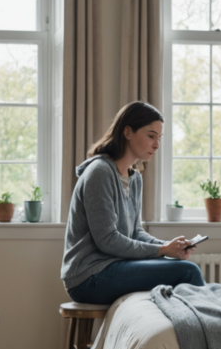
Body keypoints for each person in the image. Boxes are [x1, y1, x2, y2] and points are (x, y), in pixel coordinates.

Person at [61, 101, 205, 305]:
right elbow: (108, 240)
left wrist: (167, 246)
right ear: (128, 132)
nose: (156, 145)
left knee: (177, 263)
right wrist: (162, 250)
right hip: (87, 276)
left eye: (159, 138)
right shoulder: (100, 172)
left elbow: (135, 232)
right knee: (188, 271)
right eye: (151, 135)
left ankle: (190, 325)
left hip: (114, 266)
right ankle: (205, 328)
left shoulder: (135, 178)